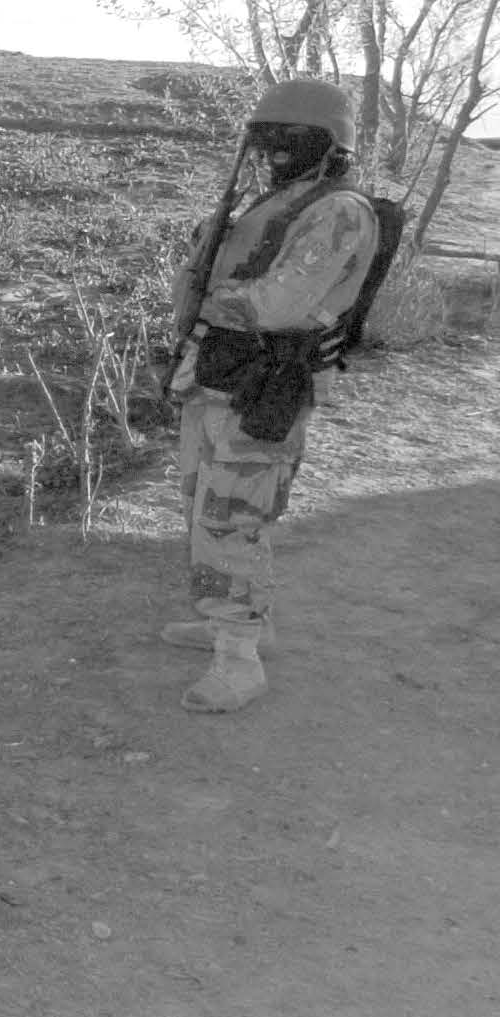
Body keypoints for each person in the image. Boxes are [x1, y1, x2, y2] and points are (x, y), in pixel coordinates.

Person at [167, 79, 383, 713]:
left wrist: (208, 301)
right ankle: (232, 622)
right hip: (218, 376)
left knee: (233, 516)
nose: (275, 153)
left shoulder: (340, 211)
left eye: (291, 142)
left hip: (267, 384)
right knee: (201, 502)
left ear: (326, 146)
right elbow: (201, 287)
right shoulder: (278, 201)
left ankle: (239, 659)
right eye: (269, 142)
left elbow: (278, 303)